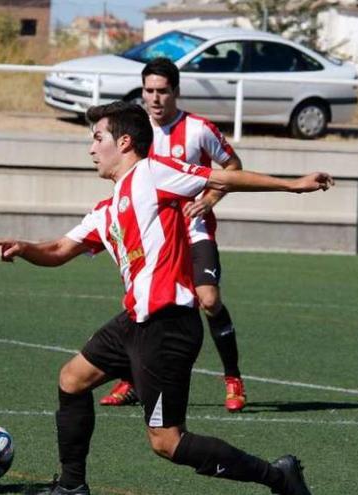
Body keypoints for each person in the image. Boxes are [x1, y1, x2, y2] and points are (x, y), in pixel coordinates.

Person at [0, 101, 333, 495]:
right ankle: (71, 488)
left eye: (97, 138)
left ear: (123, 142)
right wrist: (25, 247)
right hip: (135, 321)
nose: (91, 149)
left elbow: (223, 177)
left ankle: (279, 477)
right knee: (72, 379)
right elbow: (57, 250)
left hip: (167, 324)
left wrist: (293, 185)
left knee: (167, 442)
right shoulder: (106, 209)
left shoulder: (153, 173)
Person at [101, 57, 249, 412]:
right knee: (147, 304)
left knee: (209, 300)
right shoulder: (133, 134)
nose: (155, 98)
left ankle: (233, 377)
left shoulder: (198, 130)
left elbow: (233, 167)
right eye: (148, 91)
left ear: (176, 92)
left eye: (162, 91)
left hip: (193, 232)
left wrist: (211, 199)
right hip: (151, 238)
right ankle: (132, 379)